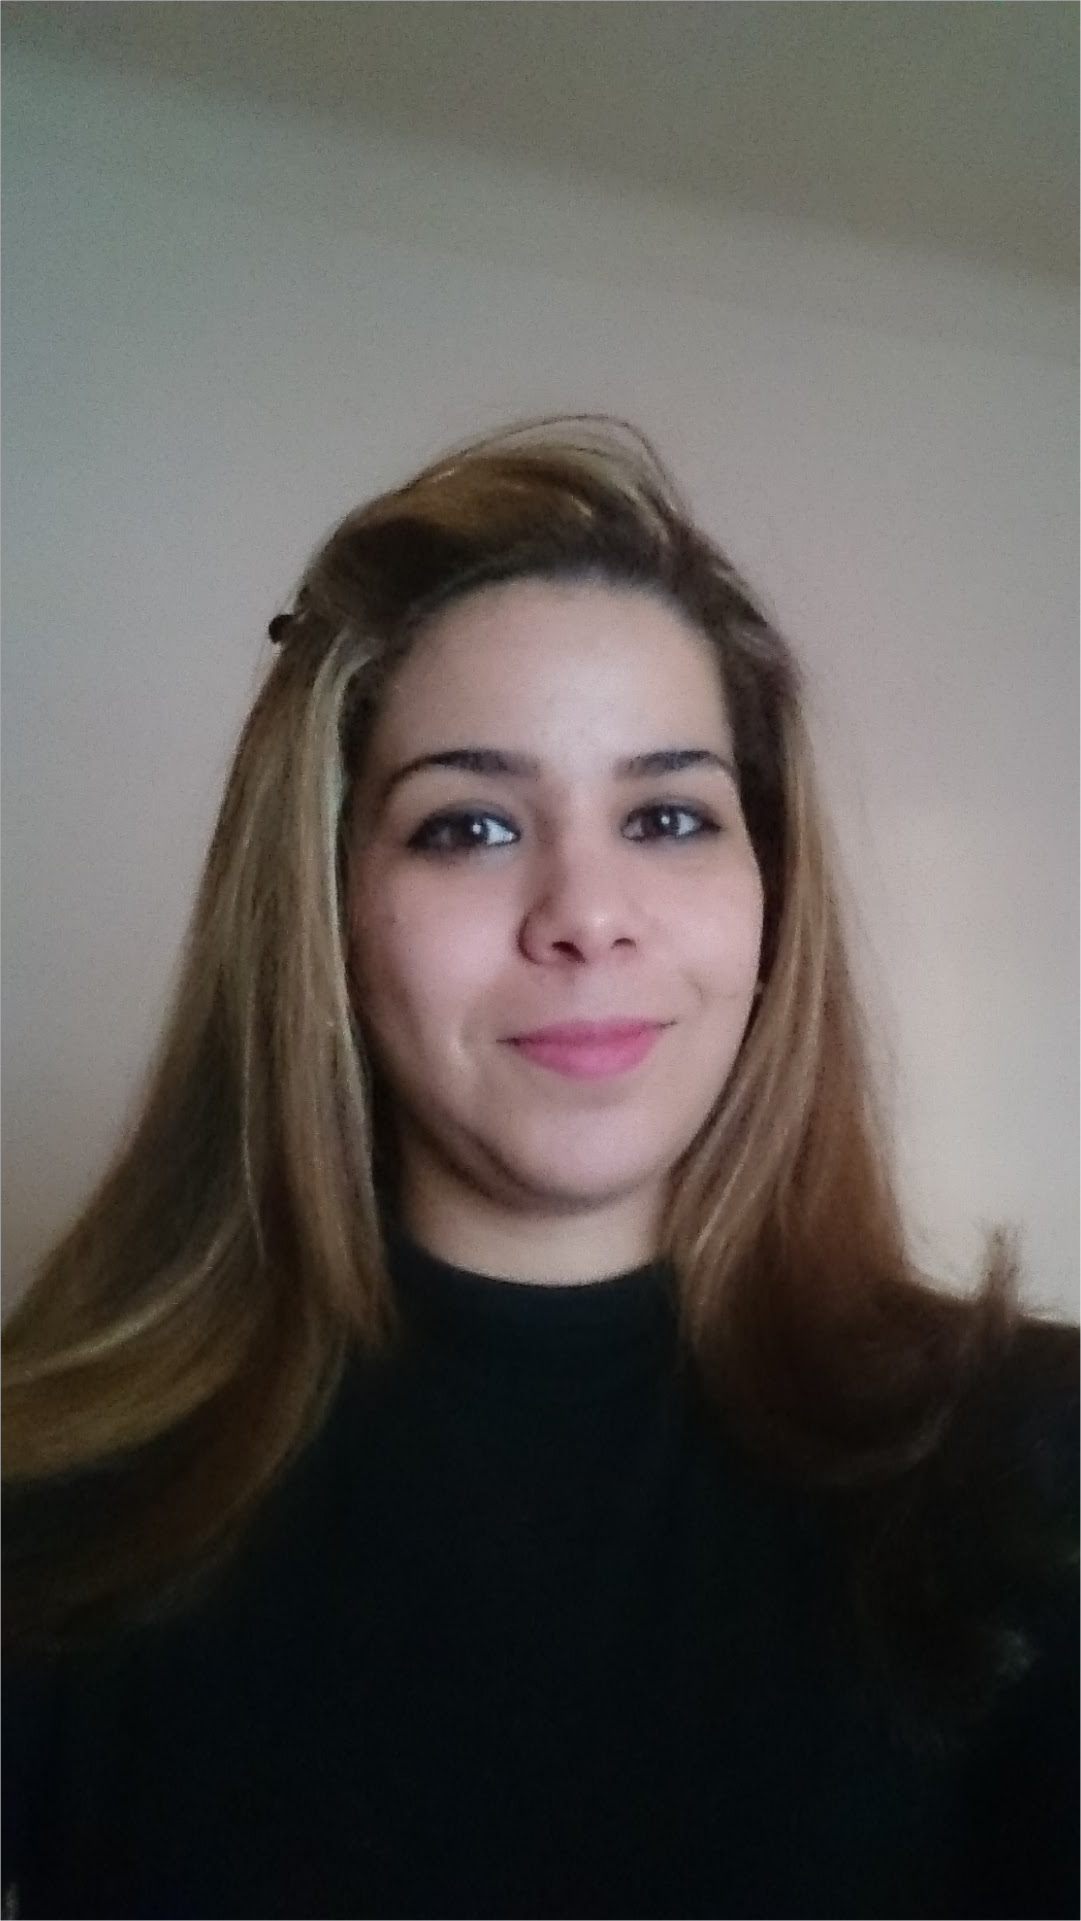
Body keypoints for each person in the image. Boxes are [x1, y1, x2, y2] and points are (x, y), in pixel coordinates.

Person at [1, 415, 1078, 1921]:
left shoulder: (1036, 1466)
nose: (586, 913)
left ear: (769, 895)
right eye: (470, 825)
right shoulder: (57, 1500)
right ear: (325, 908)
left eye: (668, 816)